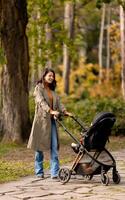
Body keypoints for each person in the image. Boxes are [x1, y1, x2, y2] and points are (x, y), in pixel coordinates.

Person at [27, 67, 72, 179]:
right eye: (49, 75)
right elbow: (41, 102)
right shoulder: (38, 89)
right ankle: (39, 172)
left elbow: (59, 104)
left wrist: (65, 111)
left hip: (52, 122)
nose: (51, 77)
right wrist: (50, 111)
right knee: (39, 148)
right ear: (44, 76)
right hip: (41, 122)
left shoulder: (53, 92)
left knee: (54, 147)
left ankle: (55, 172)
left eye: (53, 76)